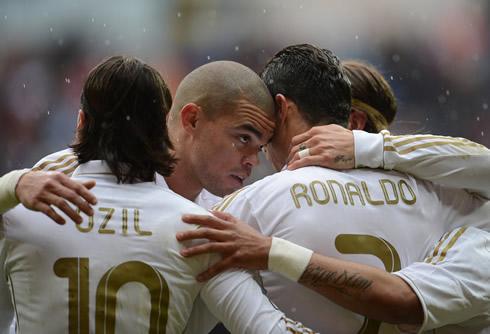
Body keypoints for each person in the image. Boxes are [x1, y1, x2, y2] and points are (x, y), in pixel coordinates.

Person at [175, 44, 490, 333]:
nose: (259, 155)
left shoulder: (247, 208)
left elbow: (173, 317)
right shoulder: (450, 200)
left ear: (282, 110)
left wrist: (272, 251)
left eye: (265, 130)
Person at [0, 56, 315, 333]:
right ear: (185, 120)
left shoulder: (222, 219)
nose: (253, 160)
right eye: (243, 137)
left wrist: (10, 187)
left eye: (259, 146)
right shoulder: (204, 231)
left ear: (81, 125)